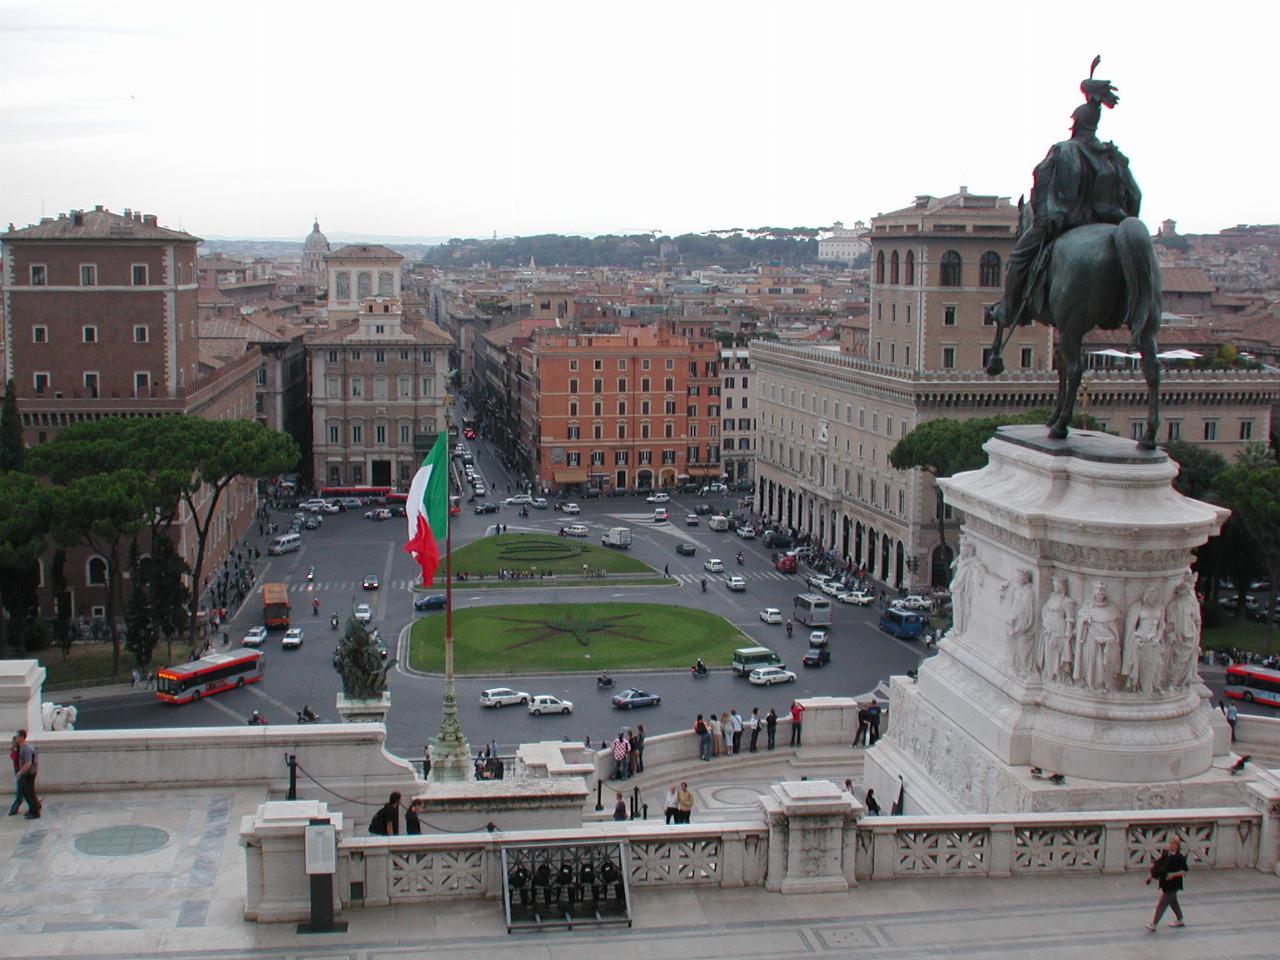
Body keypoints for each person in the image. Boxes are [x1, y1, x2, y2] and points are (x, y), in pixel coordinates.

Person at [994, 60, 1139, 335]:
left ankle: (1009, 308)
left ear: (1075, 124)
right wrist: (1126, 220)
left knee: (1018, 259)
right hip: (1115, 224)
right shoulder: (1115, 157)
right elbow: (1135, 195)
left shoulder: (1062, 151)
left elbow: (1042, 189)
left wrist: (1048, 219)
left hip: (1065, 222)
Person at [1145, 836, 1189, 931]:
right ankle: (1180, 919)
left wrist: (1173, 874)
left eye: (1172, 844)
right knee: (1173, 902)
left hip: (1173, 884)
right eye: (1170, 843)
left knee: (1162, 904)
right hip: (1165, 883)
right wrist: (1151, 875)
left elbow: (1184, 871)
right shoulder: (1166, 854)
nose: (1170, 846)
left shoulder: (1179, 857)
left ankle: (1154, 924)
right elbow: (1158, 864)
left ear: (1177, 846)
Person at [14, 730, 39, 820]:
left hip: (29, 773)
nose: (15, 738)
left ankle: (35, 811)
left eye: (17, 736)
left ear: (21, 737)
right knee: (25, 792)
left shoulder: (26, 748)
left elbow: (28, 763)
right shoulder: (21, 747)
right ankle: (32, 809)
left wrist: (20, 772)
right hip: (26, 773)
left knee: (30, 792)